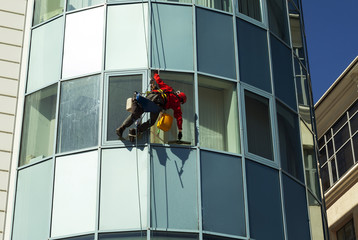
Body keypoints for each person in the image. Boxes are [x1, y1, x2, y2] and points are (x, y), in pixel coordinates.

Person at [116, 71, 187, 140]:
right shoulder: (177, 103)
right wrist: (180, 130)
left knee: (136, 114)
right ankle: (137, 130)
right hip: (157, 104)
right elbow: (179, 118)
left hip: (151, 96)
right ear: (181, 100)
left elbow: (159, 81)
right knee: (152, 121)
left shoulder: (169, 89)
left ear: (178, 93)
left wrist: (155, 73)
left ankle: (122, 127)